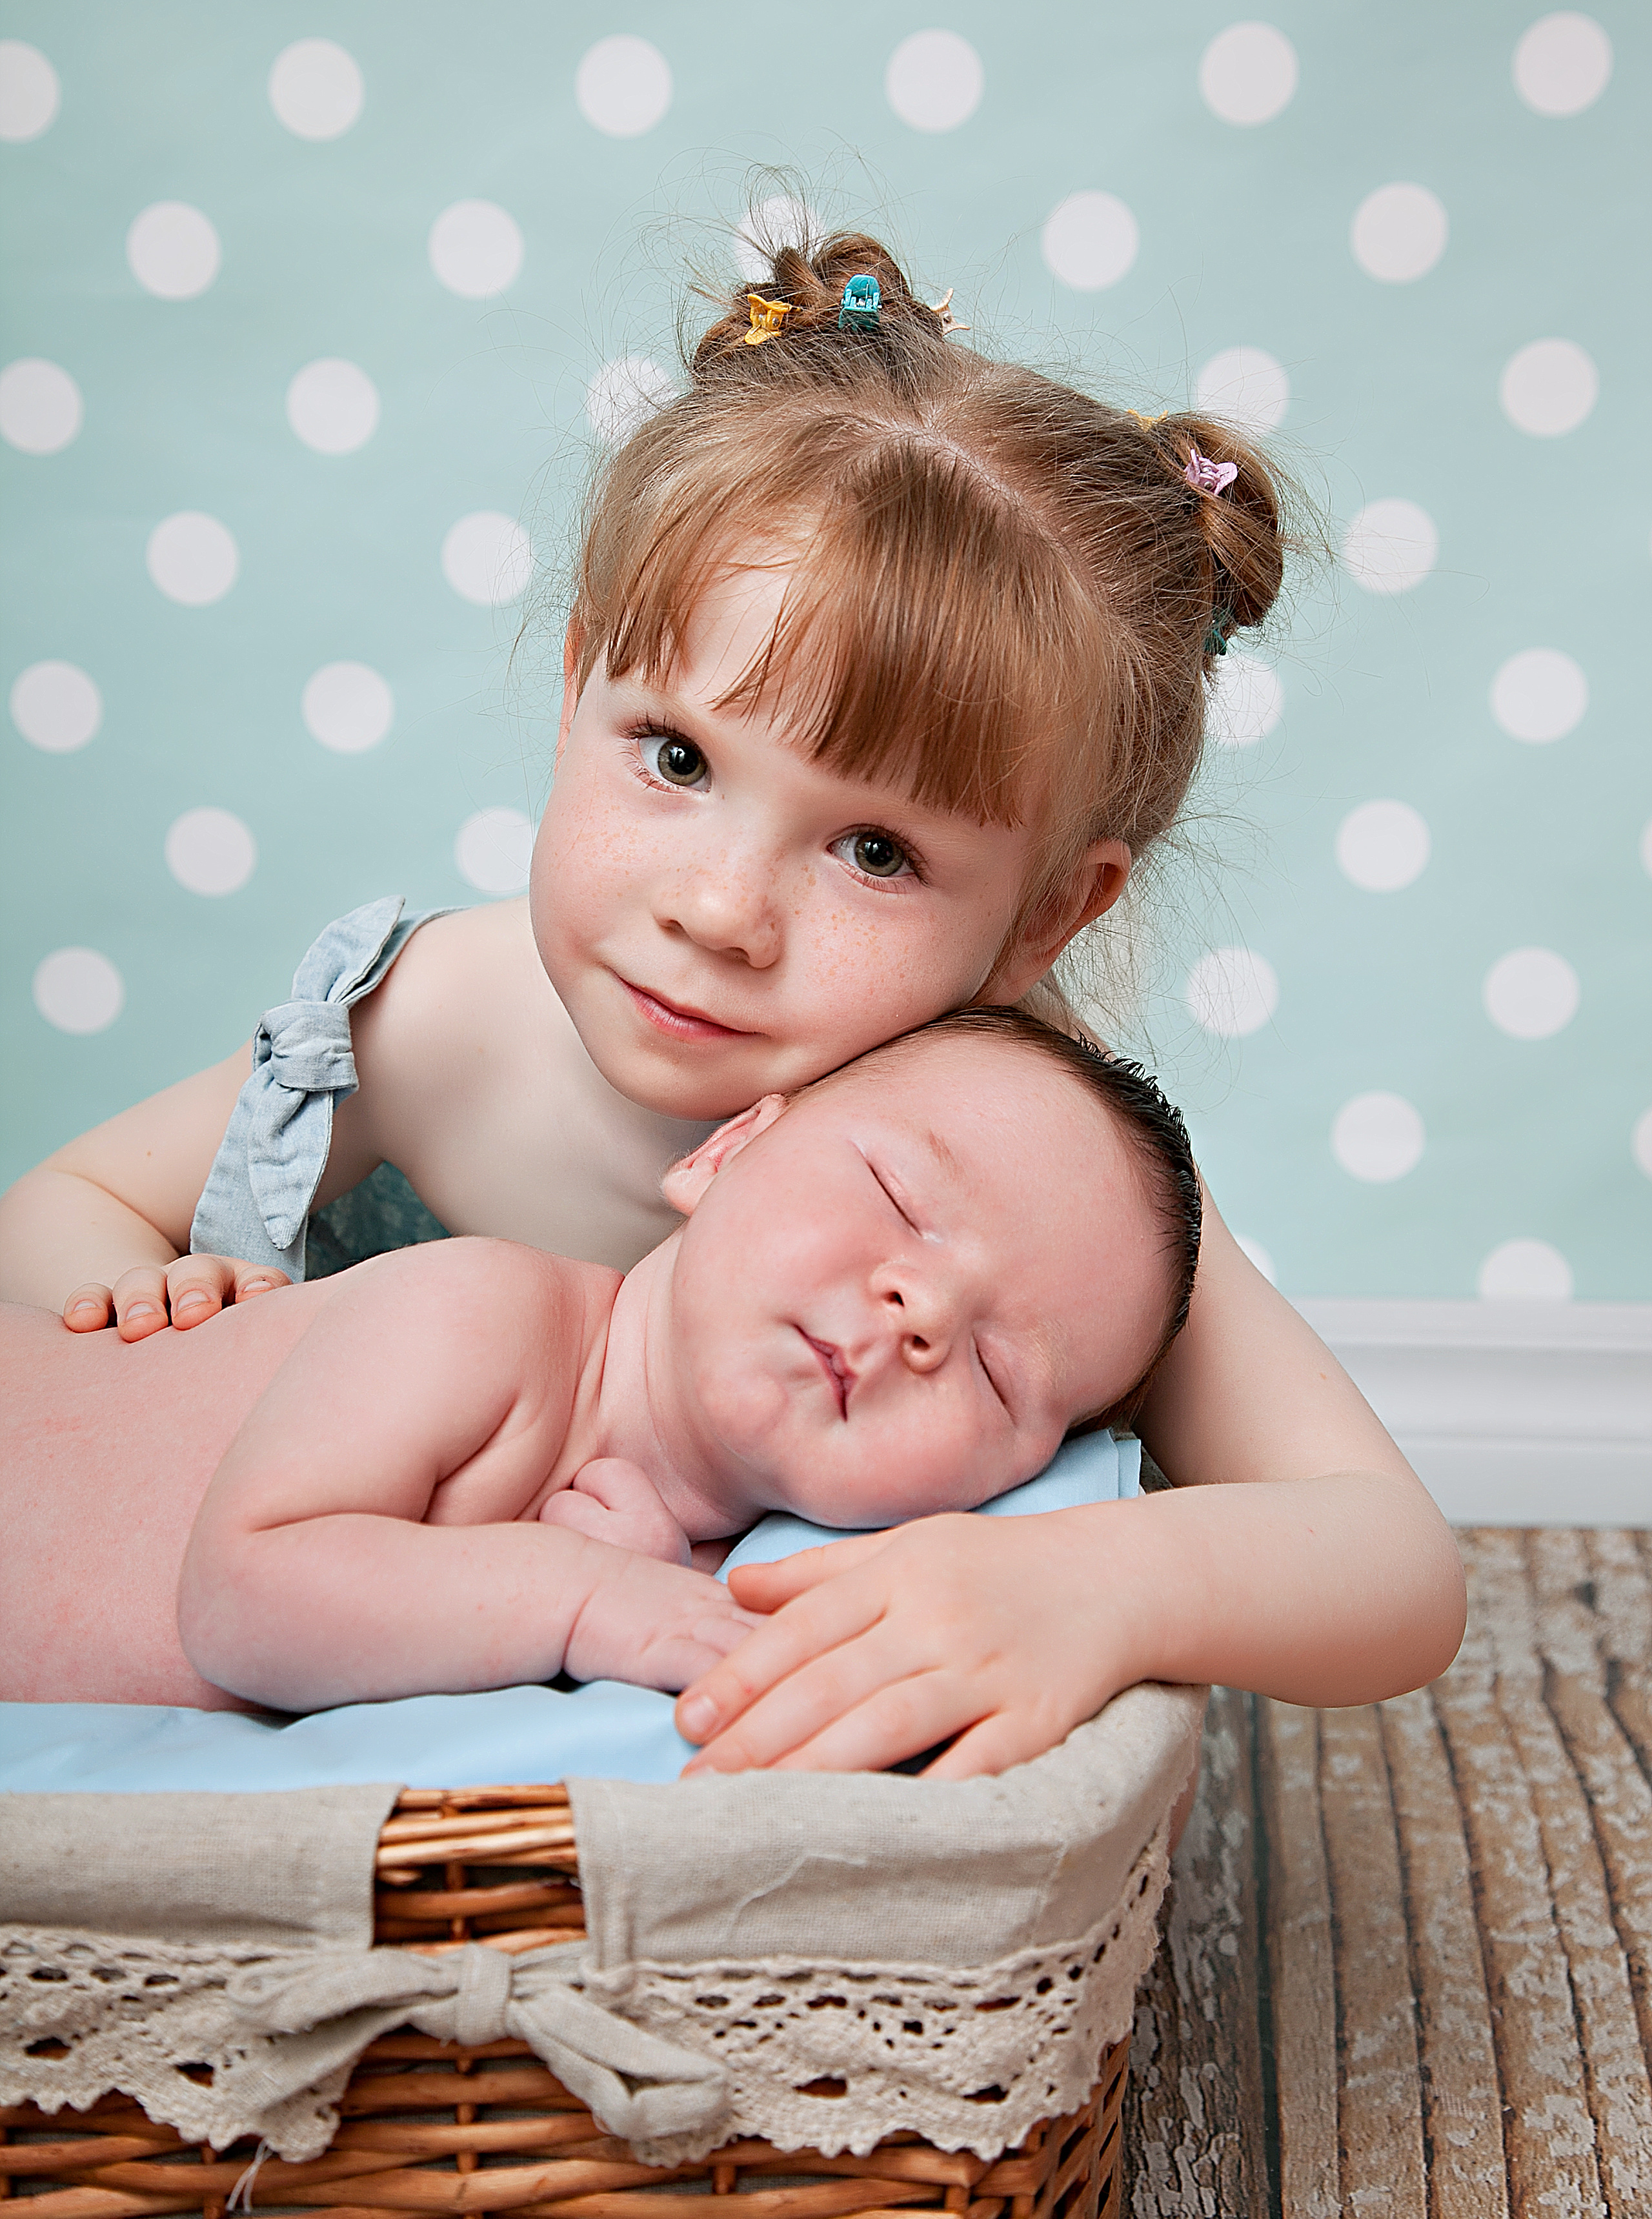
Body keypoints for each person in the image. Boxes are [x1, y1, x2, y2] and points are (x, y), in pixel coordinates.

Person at [0, 225, 1466, 1772]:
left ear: (1046, 915)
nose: (718, 910)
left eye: (877, 851)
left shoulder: (1014, 1169)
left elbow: (1389, 1568)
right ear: (576, 687)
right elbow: (70, 1202)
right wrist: (138, 1294)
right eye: (679, 758)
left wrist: (1074, 1582)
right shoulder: (451, 1017)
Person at [0, 1013, 1198, 1717]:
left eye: (996, 1373)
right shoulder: (486, 1313)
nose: (920, 1309)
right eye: (895, 1195)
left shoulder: (721, 1585)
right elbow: (241, 1597)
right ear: (727, 1151)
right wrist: (579, 1599)